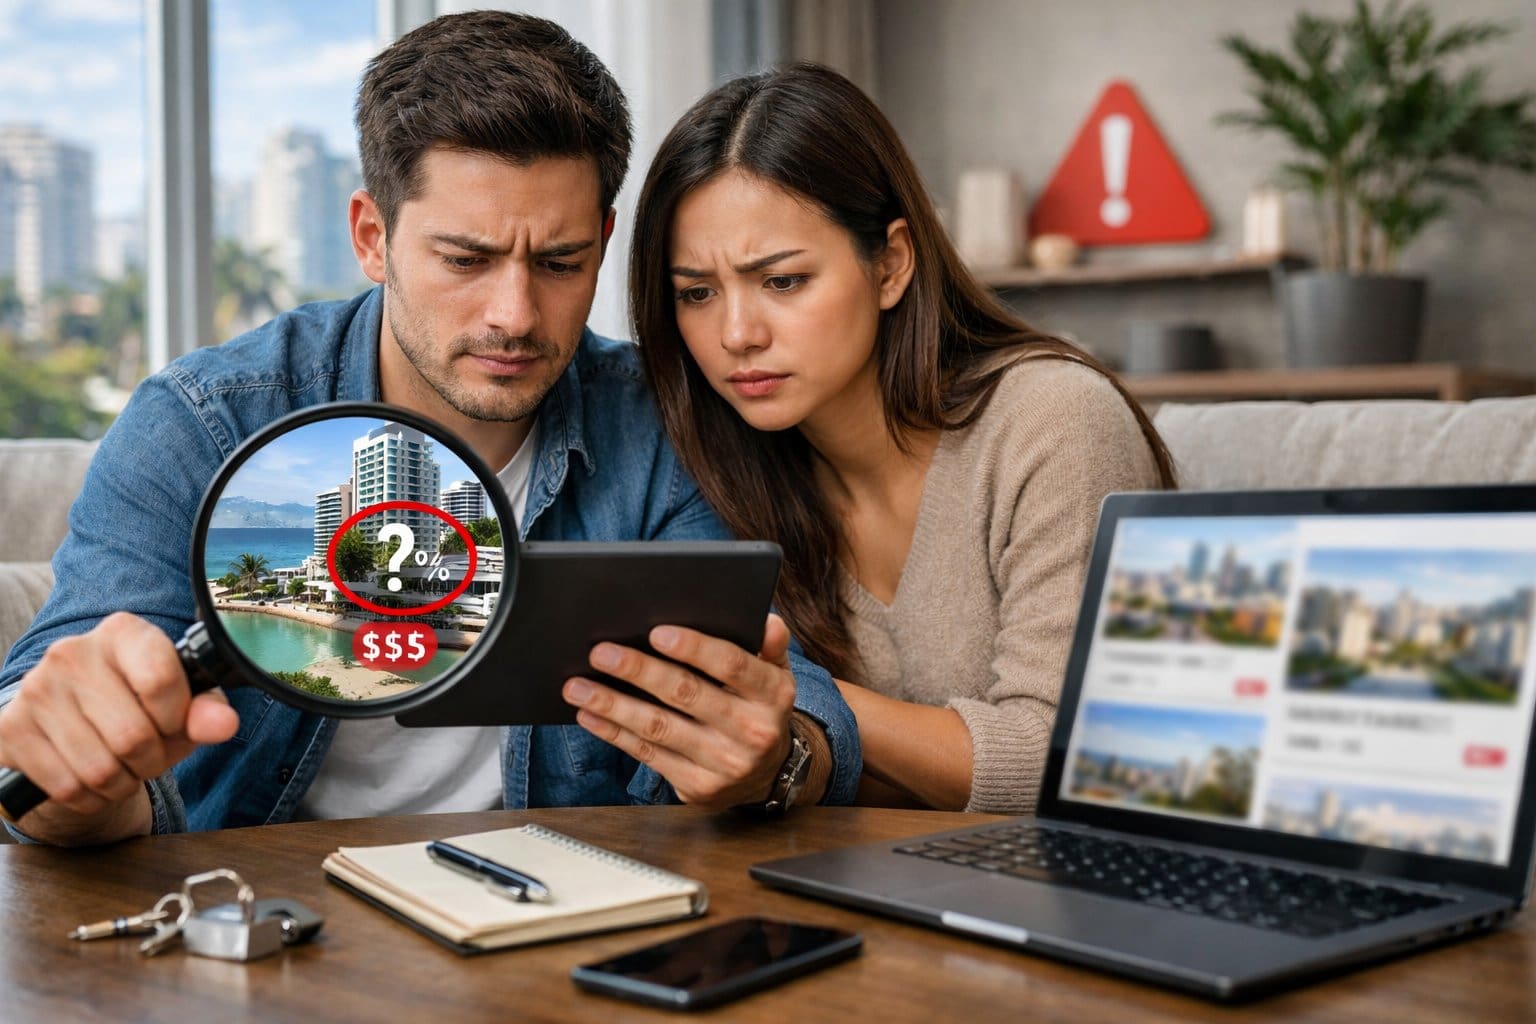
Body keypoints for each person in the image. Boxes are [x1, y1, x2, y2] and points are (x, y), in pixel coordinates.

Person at [0, 13, 859, 847]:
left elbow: (789, 701)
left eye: (560, 263)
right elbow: (38, 745)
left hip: (554, 911)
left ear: (603, 242)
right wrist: (71, 777)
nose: (514, 315)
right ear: (372, 237)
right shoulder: (206, 420)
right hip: (258, 914)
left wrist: (777, 758)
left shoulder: (663, 423)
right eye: (466, 260)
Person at [630, 63, 1176, 815]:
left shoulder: (1055, 423)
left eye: (782, 281)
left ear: (890, 264)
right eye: (697, 293)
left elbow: (1067, 760)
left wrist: (796, 704)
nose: (736, 334)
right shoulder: (726, 465)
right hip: (861, 876)